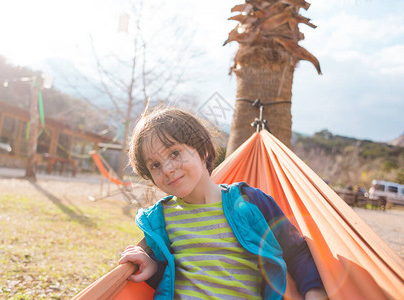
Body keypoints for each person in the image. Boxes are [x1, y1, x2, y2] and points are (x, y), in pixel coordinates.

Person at [119, 107, 327, 299]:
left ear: (203, 151)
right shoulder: (161, 220)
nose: (167, 169)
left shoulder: (250, 202)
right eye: (155, 165)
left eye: (175, 153)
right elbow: (172, 280)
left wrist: (314, 292)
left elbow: (296, 251)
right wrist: (152, 267)